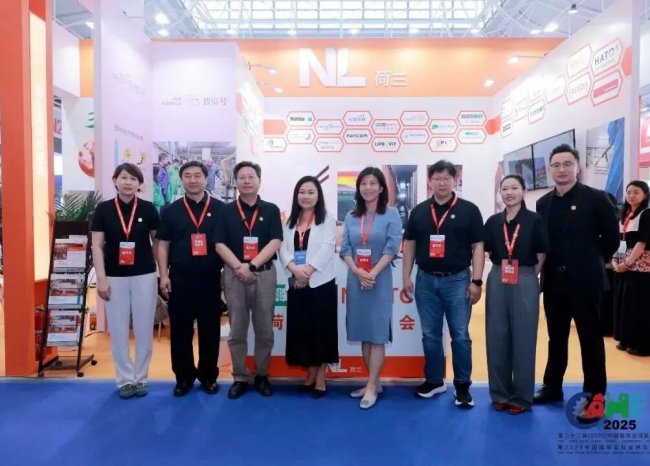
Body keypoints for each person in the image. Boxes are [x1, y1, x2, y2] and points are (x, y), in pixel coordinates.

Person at [534, 144, 619, 424]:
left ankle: (595, 397)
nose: (562, 169)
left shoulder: (596, 198)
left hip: (586, 283)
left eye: (567, 164)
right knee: (556, 338)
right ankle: (552, 386)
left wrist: (589, 261)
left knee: (590, 340)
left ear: (577, 167)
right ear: (550, 169)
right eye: (556, 165)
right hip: (554, 282)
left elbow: (611, 239)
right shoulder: (543, 203)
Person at [403, 160, 485, 409]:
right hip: (426, 280)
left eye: (446, 178)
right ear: (430, 181)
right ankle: (434, 380)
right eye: (437, 178)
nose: (441, 183)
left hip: (457, 280)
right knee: (430, 334)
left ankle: (462, 386)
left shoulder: (469, 210)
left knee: (460, 335)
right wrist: (406, 278)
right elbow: (409, 246)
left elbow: (478, 247)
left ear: (455, 180)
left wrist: (477, 281)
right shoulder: (419, 211)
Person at [215, 161, 283, 399]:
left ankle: (262, 374)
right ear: (236, 182)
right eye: (242, 177)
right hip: (234, 275)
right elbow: (219, 244)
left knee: (264, 330)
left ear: (259, 181)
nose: (246, 181)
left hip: (264, 273)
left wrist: (251, 265)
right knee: (237, 329)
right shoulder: (225, 211)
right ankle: (240, 376)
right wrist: (239, 267)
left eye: (251, 177)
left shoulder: (271, 210)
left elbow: (275, 241)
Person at [90, 163, 159, 399]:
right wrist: (101, 278)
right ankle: (124, 379)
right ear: (115, 180)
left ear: (139, 184)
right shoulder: (103, 209)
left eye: (133, 179)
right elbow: (97, 245)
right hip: (114, 276)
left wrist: (161, 272)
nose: (128, 183)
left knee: (144, 328)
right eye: (124, 178)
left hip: (144, 275)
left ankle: (141, 377)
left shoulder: (148, 209)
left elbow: (157, 243)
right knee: (118, 329)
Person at [156, 161, 225, 397]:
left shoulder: (220, 209)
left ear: (206, 179)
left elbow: (225, 245)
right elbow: (163, 245)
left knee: (210, 330)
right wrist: (163, 275)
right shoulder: (171, 211)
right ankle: (183, 377)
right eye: (187, 176)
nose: (193, 180)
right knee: (181, 331)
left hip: (210, 278)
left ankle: (208, 376)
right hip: (180, 278)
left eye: (197, 175)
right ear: (181, 179)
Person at [484, 175, 549, 415]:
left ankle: (522, 396)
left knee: (524, 337)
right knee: (496, 335)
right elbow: (486, 250)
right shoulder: (493, 222)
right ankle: (499, 393)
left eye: (514, 188)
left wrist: (529, 276)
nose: (509, 192)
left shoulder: (535, 220)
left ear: (524, 191)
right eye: (505, 188)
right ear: (500, 192)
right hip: (498, 276)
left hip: (525, 276)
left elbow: (541, 253)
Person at [340, 167, 402, 409]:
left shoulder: (392, 214)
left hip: (379, 280)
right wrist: (357, 272)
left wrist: (372, 273)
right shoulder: (351, 216)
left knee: (377, 335)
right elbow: (345, 249)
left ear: (381, 188)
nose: (368, 187)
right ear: (358, 188)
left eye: (373, 183)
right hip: (356, 280)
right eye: (363, 183)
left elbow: (392, 248)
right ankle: (373, 382)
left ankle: (372, 386)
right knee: (364, 333)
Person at [279, 176, 338, 398]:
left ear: (318, 195)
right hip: (297, 283)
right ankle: (310, 375)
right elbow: (282, 248)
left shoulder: (327, 219)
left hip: (320, 283)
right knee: (302, 331)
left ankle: (321, 377)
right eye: (302, 192)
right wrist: (295, 270)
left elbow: (327, 248)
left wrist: (308, 271)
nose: (306, 196)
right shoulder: (289, 221)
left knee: (321, 331)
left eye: (311, 192)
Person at [612, 181, 650, 356]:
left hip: (641, 266)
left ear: (645, 194)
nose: (631, 195)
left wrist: (627, 263)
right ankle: (626, 338)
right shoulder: (626, 214)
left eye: (636, 192)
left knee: (640, 306)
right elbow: (620, 241)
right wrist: (615, 259)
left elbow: (642, 243)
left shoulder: (646, 213)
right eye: (628, 192)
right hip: (625, 262)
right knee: (625, 304)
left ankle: (642, 344)